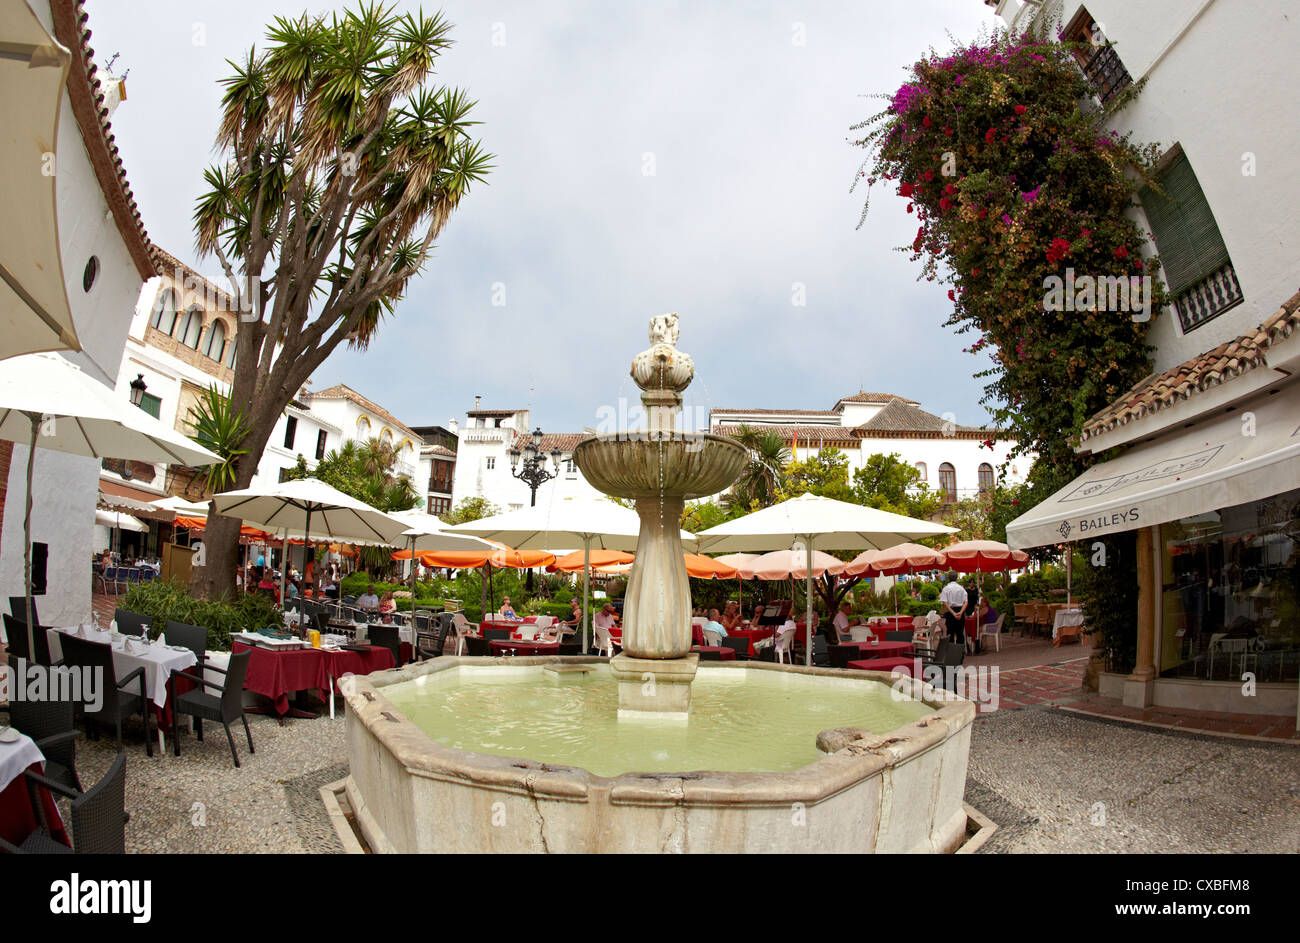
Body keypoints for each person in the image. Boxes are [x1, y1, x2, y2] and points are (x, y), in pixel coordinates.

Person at [939, 571, 968, 646]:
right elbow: (966, 602)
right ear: (956, 578)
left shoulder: (946, 588)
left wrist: (953, 613)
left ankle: (951, 654)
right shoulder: (961, 588)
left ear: (948, 578)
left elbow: (945, 603)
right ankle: (960, 654)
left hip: (950, 612)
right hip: (960, 611)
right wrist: (960, 612)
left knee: (950, 634)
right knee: (960, 633)